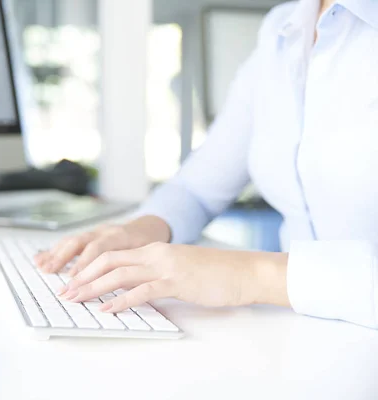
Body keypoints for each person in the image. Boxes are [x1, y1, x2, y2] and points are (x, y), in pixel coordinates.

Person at [34, 0, 378, 330]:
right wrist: (141, 230)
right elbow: (197, 188)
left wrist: (250, 275)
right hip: (302, 336)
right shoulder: (283, 27)